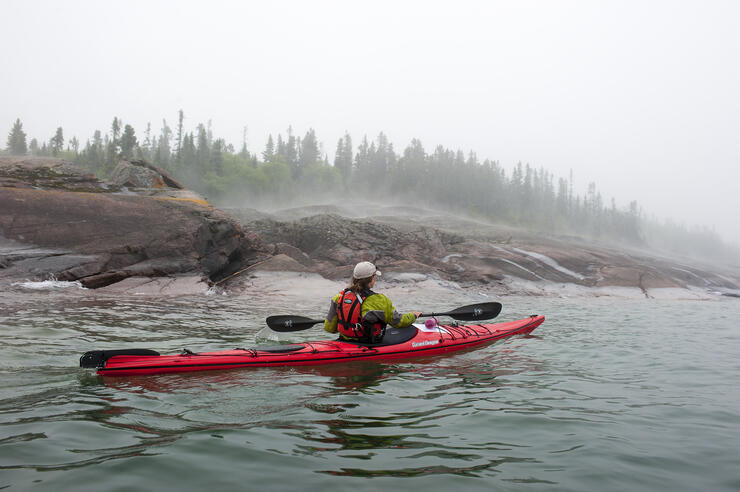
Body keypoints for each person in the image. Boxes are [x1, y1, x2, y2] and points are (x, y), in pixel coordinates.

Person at [324, 261, 422, 343]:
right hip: (368, 343)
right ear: (371, 279)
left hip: (344, 341)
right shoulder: (378, 300)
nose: (375, 279)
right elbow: (399, 322)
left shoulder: (339, 297)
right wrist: (413, 315)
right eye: (375, 276)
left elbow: (329, 328)